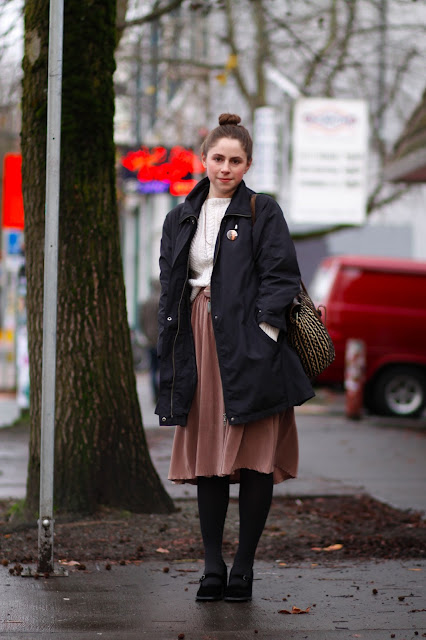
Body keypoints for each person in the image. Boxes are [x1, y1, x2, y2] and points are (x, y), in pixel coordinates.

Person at [156, 113, 314, 602]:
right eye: (218, 158)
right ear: (203, 160)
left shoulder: (262, 211)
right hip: (197, 343)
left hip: (250, 344)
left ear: (248, 164)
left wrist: (265, 333)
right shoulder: (180, 215)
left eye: (236, 160)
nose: (226, 167)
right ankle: (211, 567)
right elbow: (170, 281)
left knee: (253, 459)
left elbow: (281, 274)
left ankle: (243, 567)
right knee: (208, 459)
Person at [139, 279, 161, 402]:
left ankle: (155, 395)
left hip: (149, 340)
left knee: (152, 369)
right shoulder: (162, 301)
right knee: (162, 369)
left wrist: (146, 335)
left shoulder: (146, 303)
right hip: (160, 339)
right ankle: (161, 394)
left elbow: (141, 321)